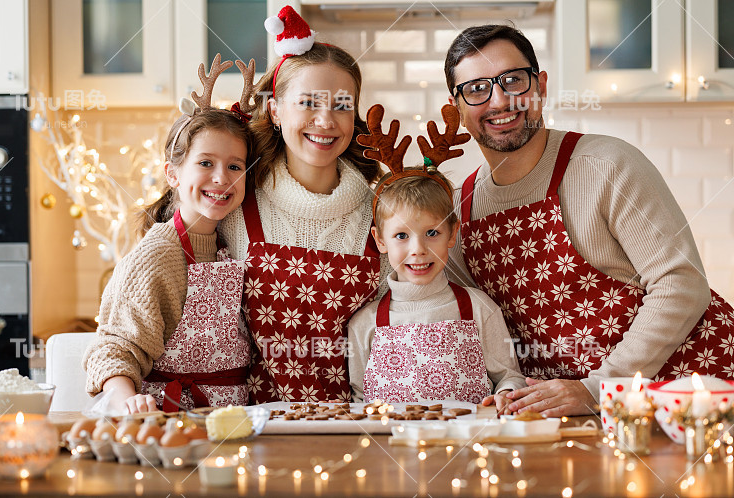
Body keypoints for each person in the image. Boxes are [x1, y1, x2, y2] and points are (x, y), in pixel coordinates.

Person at [444, 24, 734, 417]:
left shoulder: (605, 164)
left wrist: (598, 388)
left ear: (540, 86)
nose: (500, 100)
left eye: (513, 80)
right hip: (569, 415)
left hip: (688, 395)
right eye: (477, 89)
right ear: (456, 108)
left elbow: (681, 284)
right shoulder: (459, 210)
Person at [218, 5, 390, 403]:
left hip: (358, 430)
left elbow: (398, 331)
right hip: (254, 430)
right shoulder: (233, 205)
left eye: (342, 105)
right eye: (309, 102)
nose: (326, 120)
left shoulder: (381, 212)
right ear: (275, 111)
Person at [83, 56, 255, 414]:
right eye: (206, 163)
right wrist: (125, 398)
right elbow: (113, 346)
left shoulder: (233, 243)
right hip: (173, 421)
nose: (222, 178)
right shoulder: (159, 253)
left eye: (234, 166)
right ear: (173, 174)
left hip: (232, 421)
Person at [348, 104, 525, 411]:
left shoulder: (478, 308)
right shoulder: (365, 323)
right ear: (380, 240)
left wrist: (505, 395)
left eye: (432, 233)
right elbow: (360, 400)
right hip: (393, 453)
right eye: (402, 236)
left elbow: (510, 377)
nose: (418, 249)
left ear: (452, 234)